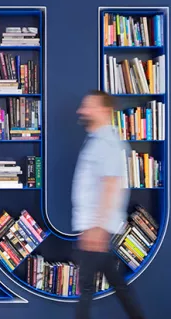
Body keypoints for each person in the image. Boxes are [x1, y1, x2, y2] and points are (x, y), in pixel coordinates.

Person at [71, 90, 145, 319]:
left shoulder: (107, 143)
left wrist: (99, 229)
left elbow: (111, 185)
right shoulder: (96, 140)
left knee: (88, 290)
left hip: (97, 229)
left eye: (88, 106)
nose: (81, 111)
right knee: (115, 288)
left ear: (104, 110)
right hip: (94, 227)